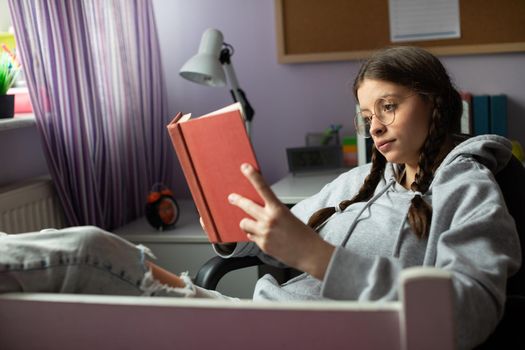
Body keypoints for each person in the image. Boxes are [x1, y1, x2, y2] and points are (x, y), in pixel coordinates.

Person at [0, 46, 521, 349]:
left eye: (388, 106)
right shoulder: (360, 180)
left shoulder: (467, 187)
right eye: (367, 116)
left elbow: (468, 311)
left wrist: (316, 257)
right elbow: (275, 239)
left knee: (91, 255)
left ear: (433, 103)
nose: (376, 125)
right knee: (87, 247)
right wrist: (232, 219)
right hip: (250, 314)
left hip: (289, 335)